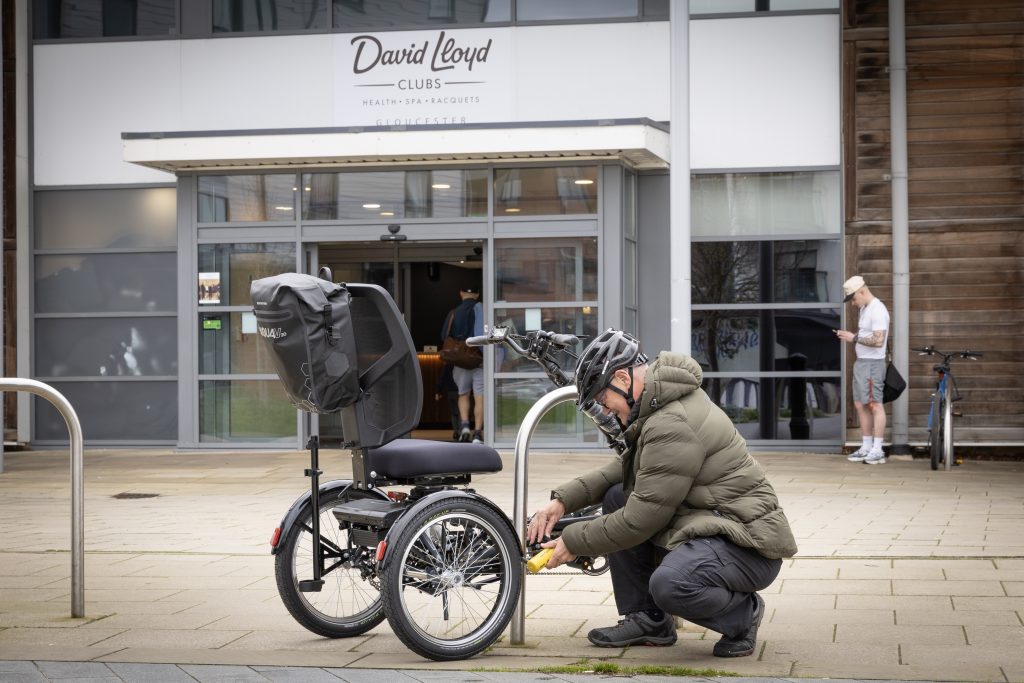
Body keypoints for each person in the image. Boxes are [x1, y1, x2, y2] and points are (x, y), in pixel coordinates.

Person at [527, 330, 798, 658]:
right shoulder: (658, 406)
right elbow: (626, 471)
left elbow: (641, 520)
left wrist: (572, 540)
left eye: (603, 400)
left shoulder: (670, 422)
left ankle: (743, 615)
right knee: (617, 496)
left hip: (747, 544)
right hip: (714, 525)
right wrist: (563, 500)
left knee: (671, 584)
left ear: (623, 378)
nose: (607, 411)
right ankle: (649, 619)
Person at [835, 275, 891, 465]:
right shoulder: (865, 309)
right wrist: (852, 337)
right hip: (862, 363)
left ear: (862, 291)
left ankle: (877, 449)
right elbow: (868, 335)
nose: (852, 303)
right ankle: (866, 446)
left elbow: (879, 340)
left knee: (875, 404)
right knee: (860, 404)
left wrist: (854, 338)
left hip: (873, 364)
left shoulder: (878, 310)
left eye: (853, 298)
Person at [449, 286, 484, 443]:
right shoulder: (481, 309)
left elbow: (444, 334)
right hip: (479, 359)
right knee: (479, 397)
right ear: (477, 294)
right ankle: (477, 432)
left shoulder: (454, 312)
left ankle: (464, 427)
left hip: (460, 360)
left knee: (463, 394)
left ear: (461, 293)